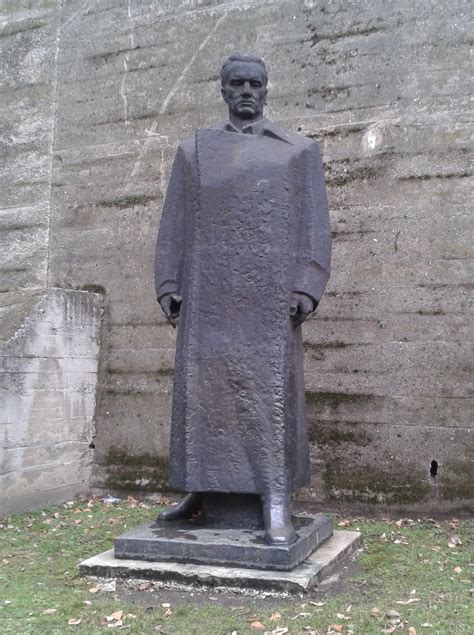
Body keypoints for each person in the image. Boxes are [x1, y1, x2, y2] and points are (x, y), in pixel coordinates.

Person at [154, 54, 331, 544]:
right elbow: (174, 223)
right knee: (201, 391)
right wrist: (168, 283)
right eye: (237, 84)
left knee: (267, 397)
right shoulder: (194, 151)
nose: (247, 91)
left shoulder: (298, 151)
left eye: (255, 83)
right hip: (207, 294)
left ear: (267, 89)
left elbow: (315, 228)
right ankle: (200, 489)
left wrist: (307, 287)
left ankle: (276, 497)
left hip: (268, 301)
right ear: (224, 90)